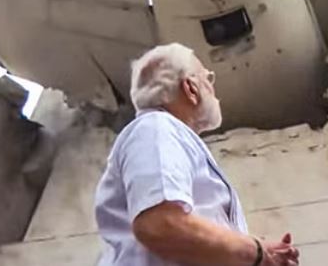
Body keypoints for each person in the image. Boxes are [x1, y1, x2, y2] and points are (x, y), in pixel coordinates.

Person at [94, 43, 299, 266]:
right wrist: (255, 252)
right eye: (208, 79)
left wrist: (254, 251)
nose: (214, 90)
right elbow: (161, 224)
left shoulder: (164, 135)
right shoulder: (156, 128)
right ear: (191, 88)